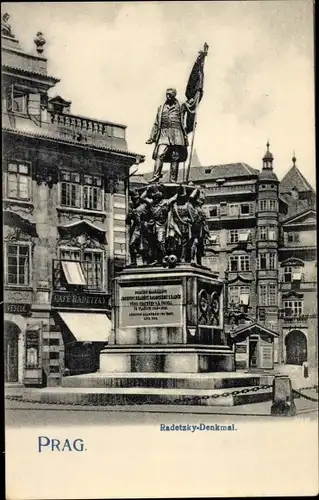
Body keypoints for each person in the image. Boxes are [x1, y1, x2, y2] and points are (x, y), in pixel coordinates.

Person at [146, 88, 188, 184]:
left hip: (176, 133)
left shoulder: (181, 106)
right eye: (167, 94)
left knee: (175, 156)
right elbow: (156, 123)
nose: (168, 96)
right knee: (159, 154)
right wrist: (152, 137)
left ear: (174, 95)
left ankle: (173, 180)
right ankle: (156, 176)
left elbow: (192, 107)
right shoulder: (161, 108)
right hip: (164, 133)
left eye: (170, 95)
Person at [140, 185, 178, 265]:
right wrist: (147, 189)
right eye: (154, 197)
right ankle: (155, 259)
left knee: (160, 241)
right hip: (152, 225)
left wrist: (178, 190)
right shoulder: (151, 203)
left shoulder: (165, 202)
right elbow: (142, 198)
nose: (155, 199)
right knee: (152, 243)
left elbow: (174, 198)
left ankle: (164, 257)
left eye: (157, 197)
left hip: (161, 225)